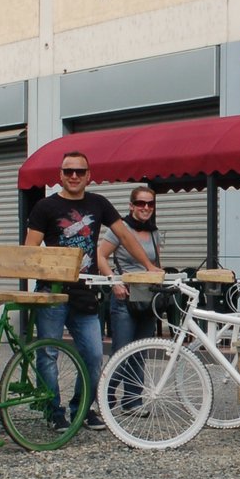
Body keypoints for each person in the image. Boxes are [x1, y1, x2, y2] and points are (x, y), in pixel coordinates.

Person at [24, 152, 160, 431]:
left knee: (94, 356)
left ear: (89, 175)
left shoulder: (98, 203)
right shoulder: (44, 206)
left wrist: (148, 265)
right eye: (68, 171)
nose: (74, 176)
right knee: (48, 353)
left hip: (86, 291)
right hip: (53, 292)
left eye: (80, 171)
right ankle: (54, 410)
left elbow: (124, 235)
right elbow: (30, 250)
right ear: (60, 175)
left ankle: (82, 408)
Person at [97, 185, 163, 415]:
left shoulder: (154, 232)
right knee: (121, 352)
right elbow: (100, 256)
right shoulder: (120, 229)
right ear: (131, 205)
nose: (145, 208)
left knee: (140, 352)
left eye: (150, 204)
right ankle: (104, 398)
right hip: (125, 297)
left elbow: (156, 265)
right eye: (141, 203)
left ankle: (132, 401)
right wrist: (114, 281)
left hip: (147, 297)